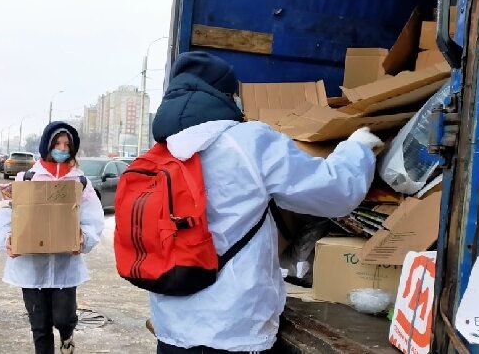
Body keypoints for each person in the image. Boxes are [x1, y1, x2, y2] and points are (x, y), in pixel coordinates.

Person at [148, 52, 382, 353]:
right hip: (233, 332)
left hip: (171, 330)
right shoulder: (248, 141)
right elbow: (336, 193)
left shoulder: (159, 154)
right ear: (225, 96)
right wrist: (357, 148)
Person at [0, 121, 105, 354]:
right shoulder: (26, 179)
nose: (62, 149)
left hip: (65, 266)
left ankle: (67, 336)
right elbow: (7, 214)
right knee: (40, 326)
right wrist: (7, 240)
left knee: (64, 318)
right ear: (47, 146)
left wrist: (84, 239)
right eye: (57, 144)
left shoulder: (80, 183)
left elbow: (94, 219)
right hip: (31, 267)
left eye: (67, 145)